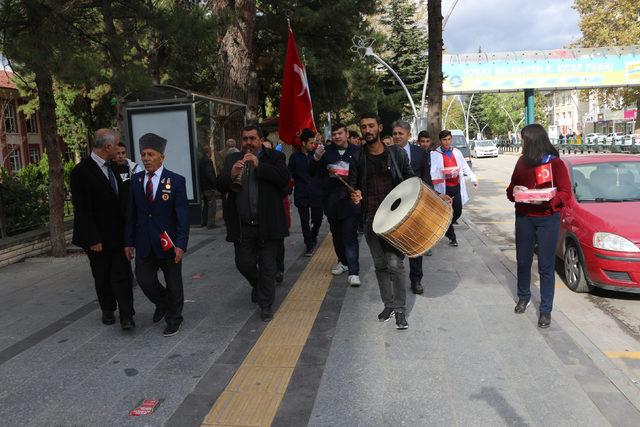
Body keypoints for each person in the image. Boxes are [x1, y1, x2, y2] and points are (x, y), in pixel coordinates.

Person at [218, 125, 290, 321]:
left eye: (252, 139)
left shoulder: (274, 157)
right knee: (244, 263)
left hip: (267, 224)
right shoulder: (232, 159)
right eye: (245, 139)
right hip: (242, 225)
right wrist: (231, 174)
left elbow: (284, 180)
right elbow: (220, 184)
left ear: (260, 140)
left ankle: (265, 304)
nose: (248, 143)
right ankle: (258, 286)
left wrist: (260, 166)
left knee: (268, 267)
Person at [349, 113, 414, 330]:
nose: (367, 130)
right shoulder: (357, 157)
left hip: (395, 220)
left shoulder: (396, 154)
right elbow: (353, 184)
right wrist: (355, 194)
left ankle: (400, 310)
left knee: (395, 265)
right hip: (371, 220)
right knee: (380, 266)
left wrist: (435, 196)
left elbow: (411, 180)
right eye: (363, 127)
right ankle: (388, 305)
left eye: (370, 126)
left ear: (379, 127)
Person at [125, 133, 190, 337]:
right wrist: (128, 242)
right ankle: (162, 302)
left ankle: (174, 319)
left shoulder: (176, 181)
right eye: (143, 154)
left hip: (167, 243)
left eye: (150, 154)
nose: (145, 158)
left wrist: (180, 244)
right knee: (144, 279)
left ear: (161, 157)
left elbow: (182, 216)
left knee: (173, 282)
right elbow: (131, 214)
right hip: (144, 241)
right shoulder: (135, 181)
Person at [506, 124, 571, 328]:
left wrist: (546, 199)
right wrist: (516, 190)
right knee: (523, 260)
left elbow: (565, 193)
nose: (521, 143)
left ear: (533, 141)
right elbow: (510, 190)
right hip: (524, 217)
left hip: (547, 218)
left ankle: (545, 310)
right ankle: (523, 296)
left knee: (545, 265)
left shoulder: (555, 164)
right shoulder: (521, 163)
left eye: (524, 140)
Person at [71, 129, 135, 330]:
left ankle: (127, 315)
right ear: (108, 147)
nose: (119, 150)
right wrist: (92, 239)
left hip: (119, 235)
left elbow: (125, 201)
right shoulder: (81, 171)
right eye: (116, 145)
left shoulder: (118, 168)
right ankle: (108, 308)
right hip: (97, 238)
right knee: (102, 275)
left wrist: (130, 235)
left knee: (122, 275)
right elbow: (82, 209)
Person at [310, 123, 361, 286]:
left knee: (350, 236)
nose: (337, 136)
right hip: (331, 201)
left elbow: (363, 175)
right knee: (337, 235)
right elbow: (312, 172)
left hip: (350, 201)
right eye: (334, 134)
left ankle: (354, 271)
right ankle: (343, 262)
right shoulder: (326, 152)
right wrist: (316, 158)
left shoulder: (357, 151)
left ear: (347, 134)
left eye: (340, 133)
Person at [392, 121, 433, 295]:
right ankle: (397, 280)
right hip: (394, 206)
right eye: (394, 133)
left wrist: (433, 199)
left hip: (416, 205)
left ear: (409, 135)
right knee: (396, 245)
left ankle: (416, 280)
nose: (397, 136)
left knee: (415, 244)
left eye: (400, 133)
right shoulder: (388, 153)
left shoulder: (420, 153)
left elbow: (426, 178)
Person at [432, 130, 478, 247]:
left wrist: (473, 177)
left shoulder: (456, 152)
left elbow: (464, 166)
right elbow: (432, 172)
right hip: (444, 188)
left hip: (456, 186)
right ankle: (452, 237)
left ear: (451, 139)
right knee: (446, 212)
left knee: (457, 211)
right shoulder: (435, 154)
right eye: (444, 140)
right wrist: (440, 175)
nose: (447, 142)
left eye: (448, 139)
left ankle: (445, 226)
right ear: (440, 141)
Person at [289, 128, 324, 256]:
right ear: (303, 143)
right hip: (301, 193)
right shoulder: (294, 157)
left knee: (318, 218)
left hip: (316, 193)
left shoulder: (317, 156)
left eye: (314, 143)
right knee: (304, 221)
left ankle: (314, 234)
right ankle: (308, 244)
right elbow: (290, 174)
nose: (313, 145)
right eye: (311, 143)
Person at [199, 146, 218, 228]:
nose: (211, 153)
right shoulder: (207, 161)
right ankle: (211, 223)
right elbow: (209, 174)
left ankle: (204, 221)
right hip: (209, 186)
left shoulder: (201, 160)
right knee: (212, 205)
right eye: (211, 152)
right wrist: (215, 182)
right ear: (208, 152)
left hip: (204, 186)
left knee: (206, 205)